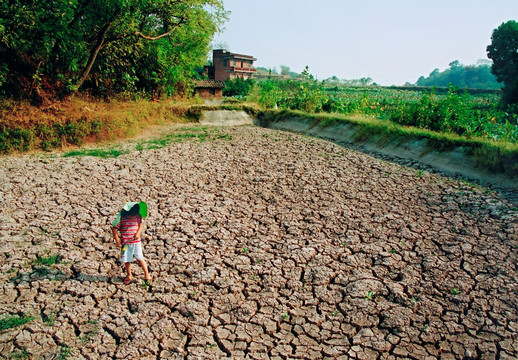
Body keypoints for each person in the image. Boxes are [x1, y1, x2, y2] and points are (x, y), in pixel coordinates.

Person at [111, 201, 151, 286]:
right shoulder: (122, 218)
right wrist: (117, 241)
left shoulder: (137, 216)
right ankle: (129, 275)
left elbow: (140, 225)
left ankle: (147, 275)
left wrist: (138, 233)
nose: (133, 215)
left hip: (136, 242)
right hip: (125, 243)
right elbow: (114, 228)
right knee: (126, 259)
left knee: (140, 258)